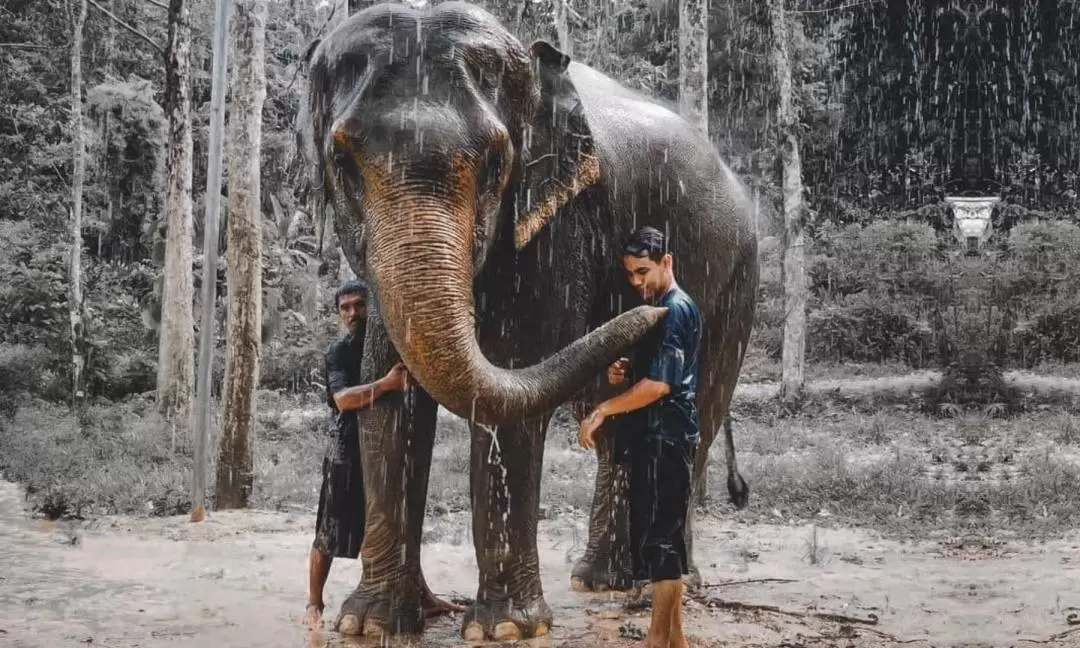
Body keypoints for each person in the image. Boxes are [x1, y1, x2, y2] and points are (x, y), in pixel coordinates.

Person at [579, 226, 701, 648]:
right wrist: (625, 371)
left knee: (664, 544)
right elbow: (652, 373)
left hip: (668, 436)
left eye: (644, 271)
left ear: (667, 262)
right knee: (662, 542)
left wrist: (602, 409)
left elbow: (661, 386)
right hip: (656, 437)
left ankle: (655, 641)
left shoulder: (677, 309)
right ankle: (676, 640)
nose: (637, 282)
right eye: (631, 274)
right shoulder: (659, 307)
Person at [304, 279, 409, 630]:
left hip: (387, 450)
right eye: (345, 307)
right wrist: (388, 385)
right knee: (330, 531)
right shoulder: (339, 352)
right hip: (346, 452)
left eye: (359, 305)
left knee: (382, 526)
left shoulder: (392, 345)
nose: (353, 313)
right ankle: (314, 604)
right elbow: (344, 400)